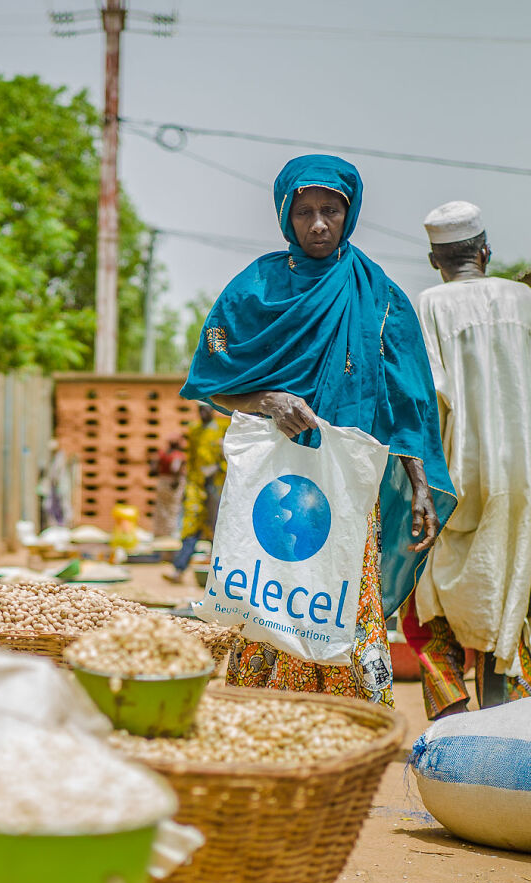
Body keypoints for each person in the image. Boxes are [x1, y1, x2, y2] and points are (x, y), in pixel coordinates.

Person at [180, 154, 456, 706]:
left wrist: (421, 485)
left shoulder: (379, 296)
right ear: (286, 215)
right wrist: (267, 400)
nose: (319, 224)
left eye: (331, 210)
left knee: (343, 602)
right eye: (304, 211)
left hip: (352, 489)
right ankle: (266, 726)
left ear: (349, 214)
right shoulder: (255, 290)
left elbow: (407, 405)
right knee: (269, 599)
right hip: (274, 486)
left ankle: (351, 734)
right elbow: (214, 379)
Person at [400, 200, 531, 718]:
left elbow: (424, 402)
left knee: (431, 614)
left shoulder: (426, 306)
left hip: (452, 478)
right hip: (523, 481)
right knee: (512, 603)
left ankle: (451, 740)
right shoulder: (523, 300)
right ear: (486, 250)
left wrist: (416, 485)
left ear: (435, 260)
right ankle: (508, 739)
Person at [163, 404, 228, 582]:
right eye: (200, 409)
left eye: (206, 409)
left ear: (213, 410)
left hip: (217, 484)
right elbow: (189, 457)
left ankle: (220, 574)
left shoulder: (222, 428)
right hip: (197, 485)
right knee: (191, 524)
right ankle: (178, 569)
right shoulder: (194, 430)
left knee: (218, 529)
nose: (203, 413)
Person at [149, 432, 185, 537]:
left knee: (161, 508)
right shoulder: (177, 455)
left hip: (162, 482)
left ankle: (159, 533)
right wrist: (176, 480)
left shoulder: (162, 454)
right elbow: (175, 468)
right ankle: (170, 534)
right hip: (172, 484)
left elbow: (153, 468)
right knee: (173, 509)